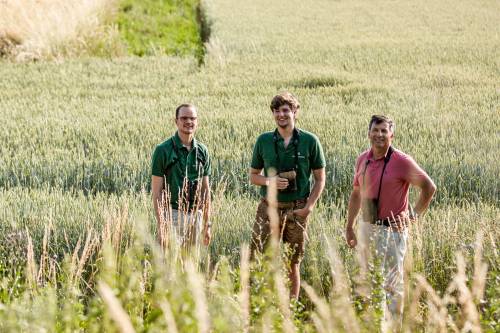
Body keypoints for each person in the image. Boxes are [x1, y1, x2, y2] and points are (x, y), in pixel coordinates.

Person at [345, 115, 436, 329]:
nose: (379, 135)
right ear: (369, 133)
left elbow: (429, 188)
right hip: (367, 227)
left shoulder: (401, 161)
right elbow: (356, 194)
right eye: (375, 130)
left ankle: (394, 327)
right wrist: (350, 226)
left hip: (392, 231)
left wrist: (412, 216)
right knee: (370, 280)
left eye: (384, 131)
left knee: (393, 285)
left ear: (391, 135)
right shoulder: (362, 160)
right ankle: (376, 325)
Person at [249, 92, 326, 299]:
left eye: (285, 110)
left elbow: (320, 179)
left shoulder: (310, 141)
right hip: (268, 208)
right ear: (273, 114)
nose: (281, 115)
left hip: (297, 209)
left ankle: (290, 309)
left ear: (295, 112)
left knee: (293, 262)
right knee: (258, 257)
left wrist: (309, 207)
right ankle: (261, 304)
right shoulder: (263, 140)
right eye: (277, 111)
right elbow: (253, 176)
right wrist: (270, 181)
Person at [151, 103, 211, 248]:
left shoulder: (202, 151)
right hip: (172, 215)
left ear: (197, 122)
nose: (188, 122)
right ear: (176, 121)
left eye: (192, 118)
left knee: (192, 266)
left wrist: (207, 224)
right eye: (184, 118)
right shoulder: (162, 150)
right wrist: (162, 225)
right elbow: (157, 192)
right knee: (169, 266)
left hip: (195, 216)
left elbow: (205, 191)